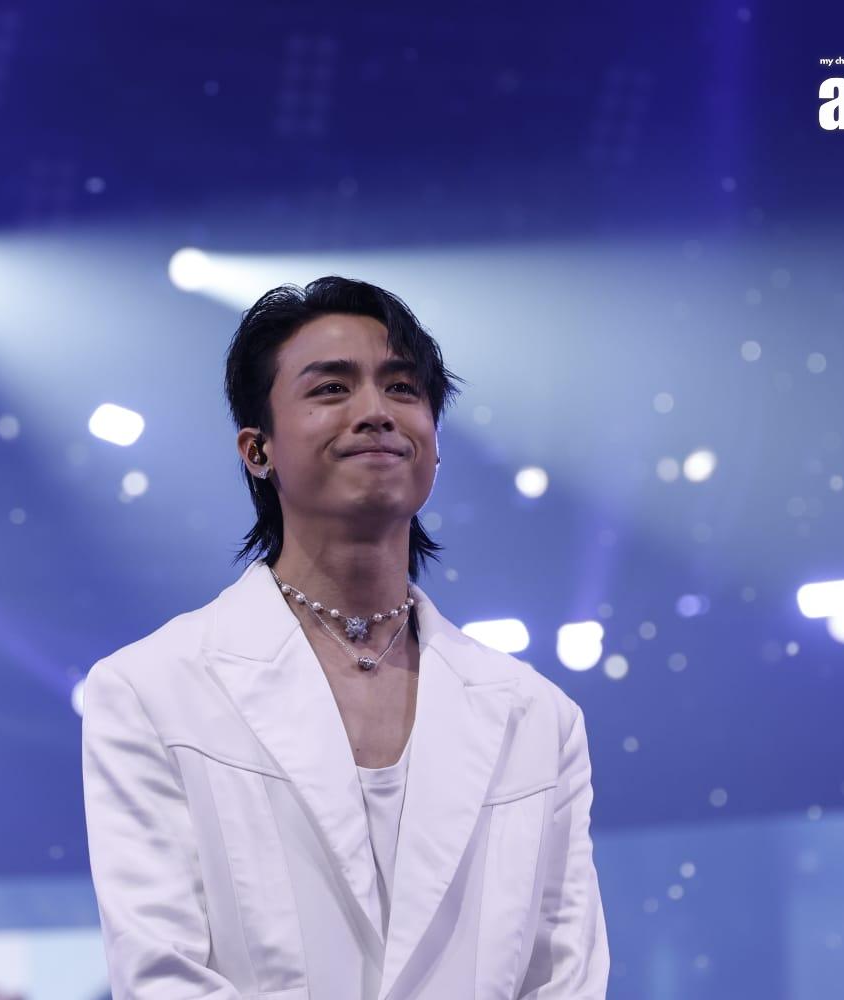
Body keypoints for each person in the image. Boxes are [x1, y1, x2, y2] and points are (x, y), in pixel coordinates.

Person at [81, 276, 609, 999]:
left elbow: (563, 979)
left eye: (402, 389)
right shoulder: (150, 690)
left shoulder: (538, 717)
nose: (375, 413)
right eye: (332, 389)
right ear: (257, 449)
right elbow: (163, 976)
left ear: (435, 445)